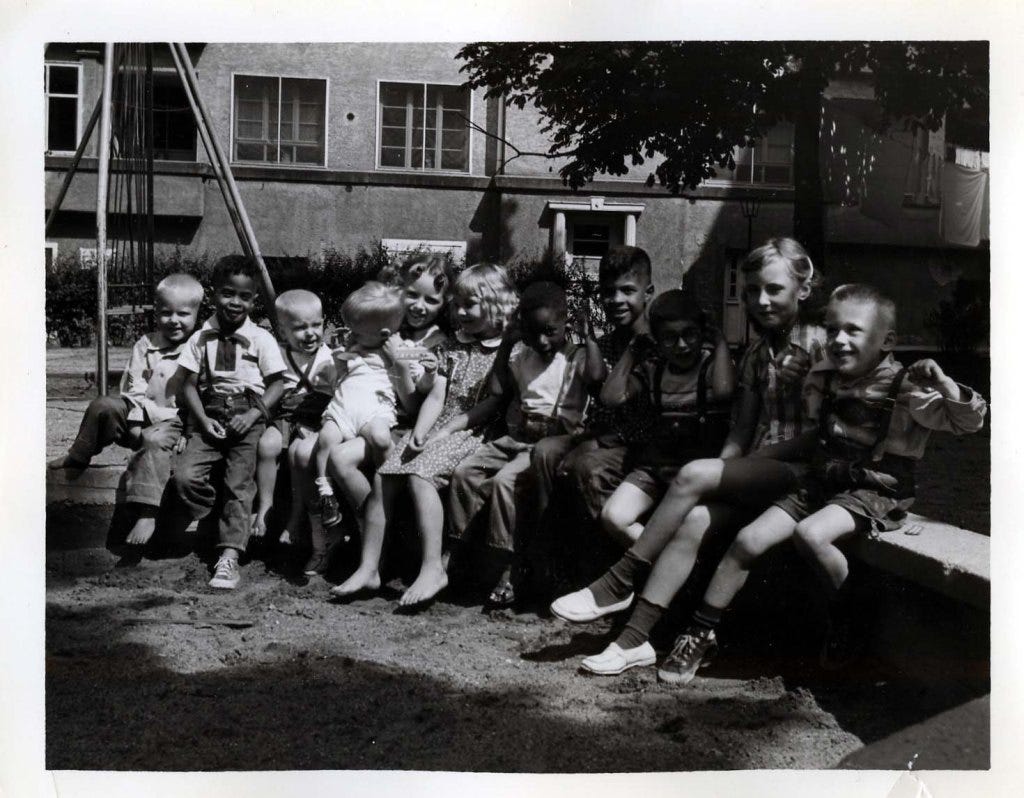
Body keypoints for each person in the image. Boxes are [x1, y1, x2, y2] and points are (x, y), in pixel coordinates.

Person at [656, 284, 988, 684]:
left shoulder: (908, 388)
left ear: (888, 341)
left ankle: (850, 616)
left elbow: (969, 423)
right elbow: (814, 420)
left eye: (853, 331)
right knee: (748, 539)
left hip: (875, 491)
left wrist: (947, 386)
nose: (839, 340)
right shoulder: (828, 378)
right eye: (832, 331)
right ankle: (700, 632)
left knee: (812, 535)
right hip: (822, 483)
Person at [550, 237, 826, 676]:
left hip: (802, 472)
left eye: (773, 289)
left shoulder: (823, 346)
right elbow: (740, 427)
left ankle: (619, 580)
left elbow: (820, 436)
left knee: (695, 473)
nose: (759, 300)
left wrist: (728, 468)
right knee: (696, 515)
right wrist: (728, 466)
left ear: (803, 290)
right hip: (760, 469)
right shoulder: (757, 352)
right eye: (752, 290)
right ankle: (634, 640)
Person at [331, 263, 517, 606]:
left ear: (496, 304)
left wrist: (444, 430)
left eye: (470, 304)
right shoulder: (452, 346)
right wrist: (420, 432)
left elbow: (491, 403)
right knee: (385, 476)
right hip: (438, 425)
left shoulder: (504, 349)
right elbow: (435, 395)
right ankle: (369, 567)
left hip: (472, 429)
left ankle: (433, 567)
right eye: (457, 304)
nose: (460, 312)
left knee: (420, 476)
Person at [447, 281, 602, 607]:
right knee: (465, 472)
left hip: (554, 442)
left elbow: (596, 377)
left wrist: (588, 337)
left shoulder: (575, 358)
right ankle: (460, 551)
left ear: (566, 326)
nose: (543, 341)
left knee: (506, 482)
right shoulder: (522, 357)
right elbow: (498, 390)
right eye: (533, 333)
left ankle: (509, 566)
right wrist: (506, 344)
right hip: (517, 439)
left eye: (551, 331)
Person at [49, 273, 204, 547]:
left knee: (153, 439)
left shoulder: (200, 348)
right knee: (103, 405)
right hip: (141, 411)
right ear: (156, 312)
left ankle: (148, 511)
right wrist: (133, 420)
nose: (174, 320)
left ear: (196, 314)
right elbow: (133, 385)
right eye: (166, 313)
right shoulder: (146, 344)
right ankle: (78, 455)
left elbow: (200, 395)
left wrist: (189, 433)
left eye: (183, 313)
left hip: (173, 421)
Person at [174, 255, 287, 590]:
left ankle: (229, 558)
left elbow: (278, 383)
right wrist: (203, 421)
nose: (235, 302)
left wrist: (254, 415)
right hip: (210, 415)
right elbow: (187, 384)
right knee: (185, 476)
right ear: (213, 294)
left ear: (253, 299)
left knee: (239, 484)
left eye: (244, 296)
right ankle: (219, 516)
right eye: (227, 293)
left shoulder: (262, 338)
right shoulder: (200, 337)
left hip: (247, 413)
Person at [529, 245, 654, 547]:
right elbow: (595, 384)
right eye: (609, 292)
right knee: (544, 451)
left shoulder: (653, 343)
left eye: (627, 291)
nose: (616, 300)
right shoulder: (609, 341)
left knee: (583, 465)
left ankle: (599, 557)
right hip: (601, 435)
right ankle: (551, 549)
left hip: (637, 444)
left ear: (647, 292)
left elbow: (643, 415)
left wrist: (598, 442)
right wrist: (590, 338)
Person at [595, 290, 734, 547]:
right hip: (657, 468)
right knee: (614, 516)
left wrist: (721, 343)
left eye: (689, 334)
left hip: (697, 474)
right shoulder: (652, 370)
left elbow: (725, 391)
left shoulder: (711, 366)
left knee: (691, 524)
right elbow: (610, 398)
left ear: (702, 333)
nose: (682, 345)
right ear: (656, 341)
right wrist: (632, 352)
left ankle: (667, 568)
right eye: (669, 338)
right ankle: (662, 561)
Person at [248, 290, 337, 575]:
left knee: (303, 457)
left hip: (313, 418)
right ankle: (265, 507)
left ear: (324, 323)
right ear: (282, 330)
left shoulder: (330, 357)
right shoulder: (278, 353)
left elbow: (330, 396)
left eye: (315, 325)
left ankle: (296, 517)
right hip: (284, 416)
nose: (310, 333)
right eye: (299, 328)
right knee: (267, 444)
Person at [311, 281, 408, 528]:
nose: (350, 334)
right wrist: (337, 364)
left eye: (356, 330)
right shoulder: (352, 346)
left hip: (375, 407)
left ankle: (388, 487)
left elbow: (416, 365)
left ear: (384, 335)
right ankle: (326, 493)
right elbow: (337, 377)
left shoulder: (395, 351)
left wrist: (422, 364)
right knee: (326, 438)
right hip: (344, 407)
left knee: (381, 438)